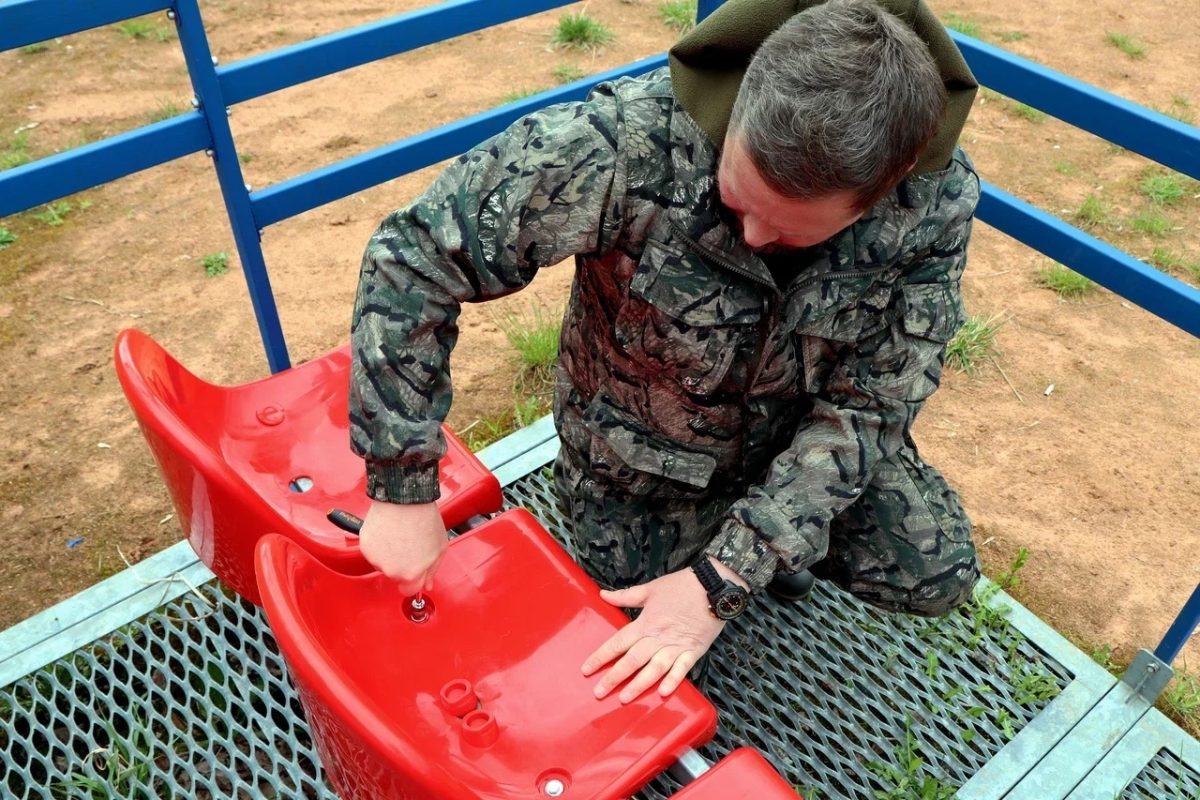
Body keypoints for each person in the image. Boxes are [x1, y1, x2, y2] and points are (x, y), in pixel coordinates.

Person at [349, 0, 982, 704]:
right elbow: (415, 258)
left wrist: (730, 572)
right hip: (643, 465)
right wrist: (401, 484)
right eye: (738, 201)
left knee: (934, 571)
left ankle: (767, 543)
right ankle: (729, 543)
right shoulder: (624, 144)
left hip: (791, 440)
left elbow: (873, 405)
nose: (752, 238)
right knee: (635, 672)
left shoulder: (931, 204)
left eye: (789, 232)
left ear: (884, 188)